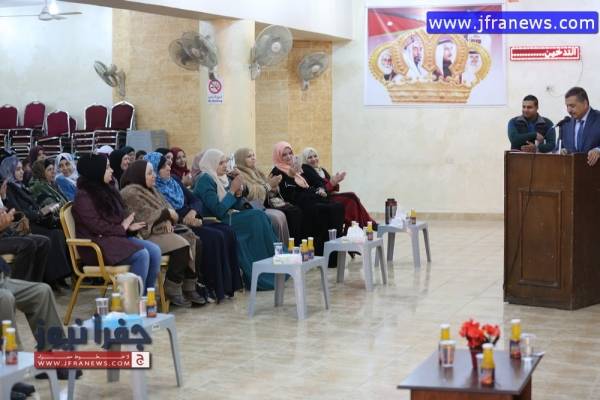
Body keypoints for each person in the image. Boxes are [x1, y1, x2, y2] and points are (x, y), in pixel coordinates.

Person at [146, 152, 242, 301]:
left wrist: (192, 211)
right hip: (179, 225)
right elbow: (166, 212)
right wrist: (184, 219)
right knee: (214, 237)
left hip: (193, 218)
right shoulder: (154, 189)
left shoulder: (174, 181)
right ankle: (209, 286)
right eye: (164, 167)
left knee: (227, 230)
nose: (169, 168)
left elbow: (196, 200)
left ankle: (227, 287)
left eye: (168, 165)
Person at [120, 160, 204, 306]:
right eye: (149, 173)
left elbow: (170, 211)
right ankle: (172, 288)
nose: (153, 176)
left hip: (162, 231)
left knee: (196, 242)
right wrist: (166, 216)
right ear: (139, 174)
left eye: (153, 172)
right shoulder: (130, 193)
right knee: (182, 246)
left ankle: (189, 287)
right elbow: (144, 218)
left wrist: (168, 219)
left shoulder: (152, 189)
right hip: (146, 235)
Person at [72, 154, 160, 292]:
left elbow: (116, 219)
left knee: (154, 251)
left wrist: (128, 227)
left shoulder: (106, 189)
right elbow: (97, 226)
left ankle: (146, 298)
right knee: (141, 255)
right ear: (96, 171)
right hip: (96, 246)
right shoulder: (83, 196)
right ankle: (134, 301)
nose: (112, 170)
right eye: (107, 167)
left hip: (113, 238)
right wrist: (123, 227)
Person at [193, 149, 276, 290]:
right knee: (257, 218)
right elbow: (218, 211)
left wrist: (238, 193)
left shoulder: (223, 178)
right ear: (211, 163)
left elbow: (235, 205)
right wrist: (232, 191)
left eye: (225, 162)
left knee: (261, 216)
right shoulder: (205, 180)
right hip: (216, 222)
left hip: (230, 217)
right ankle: (261, 274)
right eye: (220, 163)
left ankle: (271, 267)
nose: (225, 166)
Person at [0, 156, 71, 291]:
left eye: (21, 169)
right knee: (51, 236)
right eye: (18, 169)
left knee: (56, 233)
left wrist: (42, 212)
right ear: (9, 171)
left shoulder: (20, 186)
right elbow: (17, 211)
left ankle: (54, 278)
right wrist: (39, 213)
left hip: (30, 221)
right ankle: (46, 280)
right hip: (23, 225)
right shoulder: (9, 188)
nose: (22, 172)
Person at [270, 142, 344, 264]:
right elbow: (287, 193)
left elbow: (309, 185)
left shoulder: (298, 168)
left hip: (309, 197)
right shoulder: (277, 171)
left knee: (337, 207)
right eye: (284, 155)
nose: (288, 157)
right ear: (278, 156)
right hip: (297, 202)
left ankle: (334, 255)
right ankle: (322, 254)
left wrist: (318, 190)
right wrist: (291, 175)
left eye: (290, 153)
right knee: (326, 210)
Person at [234, 147, 303, 244]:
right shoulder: (239, 174)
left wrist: (273, 188)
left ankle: (293, 245)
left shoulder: (257, 171)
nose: (253, 158)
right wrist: (269, 185)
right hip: (251, 208)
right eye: (249, 156)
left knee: (295, 211)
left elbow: (267, 189)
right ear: (241, 159)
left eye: (253, 155)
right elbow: (251, 193)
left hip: (265, 204)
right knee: (284, 215)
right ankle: (281, 247)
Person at [302, 147, 376, 232]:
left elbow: (332, 186)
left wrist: (336, 181)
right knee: (351, 198)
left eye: (315, 156)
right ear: (305, 160)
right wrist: (332, 183)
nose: (313, 159)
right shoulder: (306, 170)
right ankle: (363, 226)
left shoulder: (321, 170)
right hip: (322, 199)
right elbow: (320, 187)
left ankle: (365, 225)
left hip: (330, 195)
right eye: (310, 157)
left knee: (353, 197)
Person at [562, 87, 600, 166]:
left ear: (585, 103)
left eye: (572, 106)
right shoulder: (566, 123)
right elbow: (559, 147)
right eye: (567, 106)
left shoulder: (598, 118)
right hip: (571, 170)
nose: (569, 110)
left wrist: (598, 150)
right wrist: (562, 150)